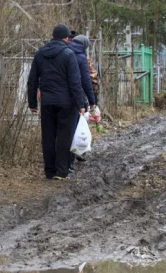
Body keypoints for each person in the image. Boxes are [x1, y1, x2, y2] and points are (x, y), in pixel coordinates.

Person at [27, 24, 87, 180]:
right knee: (63, 136)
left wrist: (32, 102)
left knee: (48, 136)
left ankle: (49, 171)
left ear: (52, 36)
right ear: (67, 38)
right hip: (66, 102)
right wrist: (81, 104)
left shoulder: (40, 54)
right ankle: (61, 171)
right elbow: (75, 81)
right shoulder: (69, 54)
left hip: (47, 102)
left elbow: (32, 79)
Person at [68, 35, 97, 171]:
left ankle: (62, 161)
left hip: (56, 97)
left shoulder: (64, 52)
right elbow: (86, 80)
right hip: (76, 98)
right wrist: (92, 101)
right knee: (74, 128)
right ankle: (73, 157)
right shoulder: (81, 57)